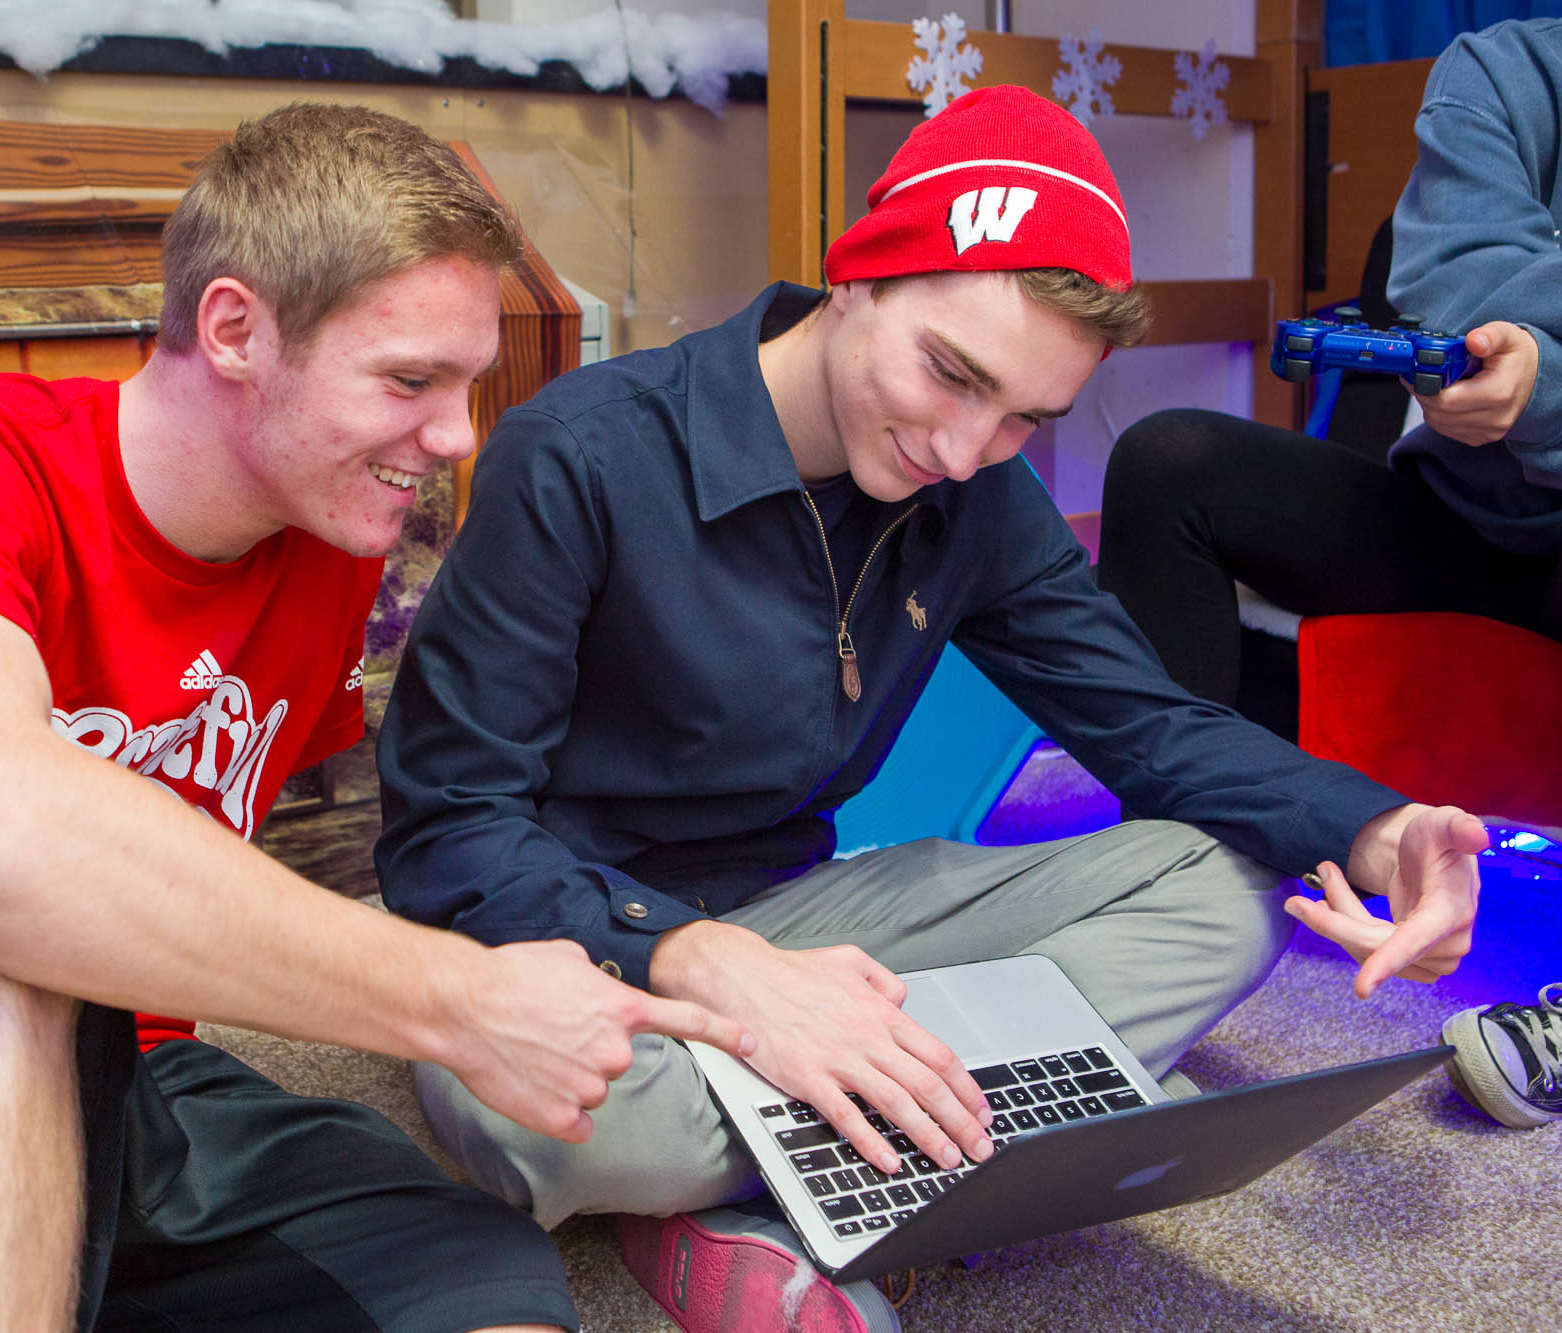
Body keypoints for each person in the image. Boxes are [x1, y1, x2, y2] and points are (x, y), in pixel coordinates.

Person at [0, 103, 750, 1333]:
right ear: (236, 328)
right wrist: (459, 998)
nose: (458, 436)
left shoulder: (324, 542)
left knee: (477, 1272)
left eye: (465, 385)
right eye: (410, 380)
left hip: (125, 1072)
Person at [372, 85, 1489, 1332]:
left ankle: (811, 1155)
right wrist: (698, 961)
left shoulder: (975, 497)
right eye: (948, 375)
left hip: (807, 916)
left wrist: (1382, 831)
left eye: (1021, 418)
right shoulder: (580, 453)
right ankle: (934, 1134)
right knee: (572, 1132)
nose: (965, 449)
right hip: (564, 939)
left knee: (1231, 887)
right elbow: (446, 831)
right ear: (856, 275)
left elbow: (1152, 727)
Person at [1097, 17, 1562, 1131]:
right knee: (1171, 463)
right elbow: (1463, 282)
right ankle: (1140, 922)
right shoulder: (1502, 70)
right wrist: (1529, 364)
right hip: (1464, 519)